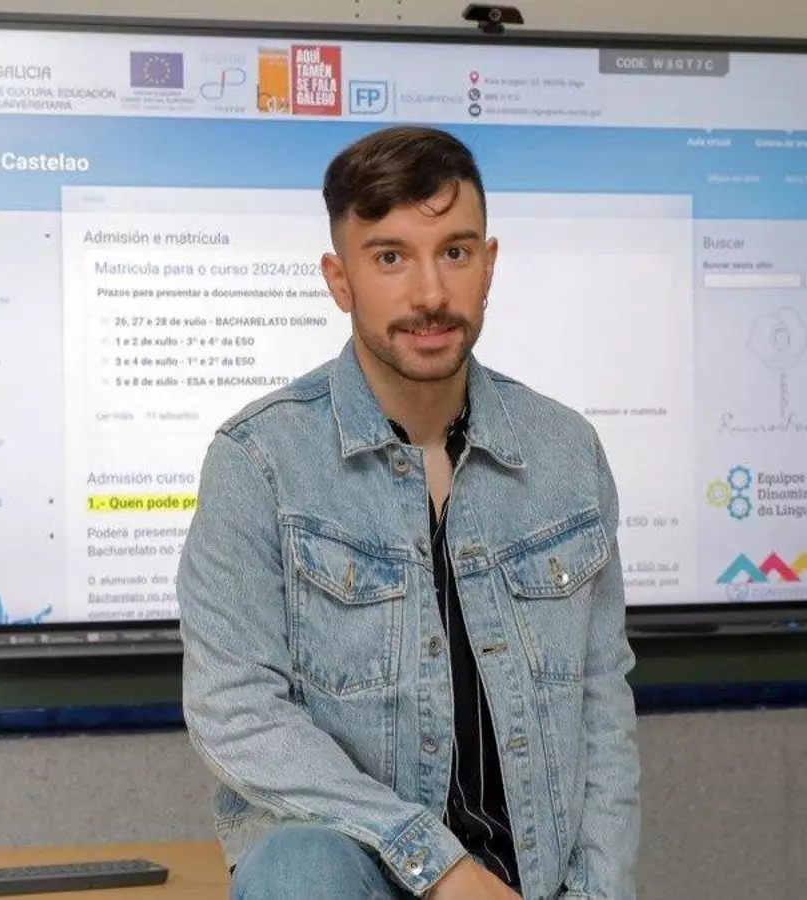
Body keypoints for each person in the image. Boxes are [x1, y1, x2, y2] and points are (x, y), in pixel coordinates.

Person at [176, 125, 640, 900]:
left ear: (489, 265)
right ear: (340, 280)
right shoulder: (259, 461)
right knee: (295, 866)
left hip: (530, 881)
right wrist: (438, 866)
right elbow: (236, 711)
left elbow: (602, 712)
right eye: (390, 257)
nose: (430, 295)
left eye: (455, 252)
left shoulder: (567, 453)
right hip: (358, 871)